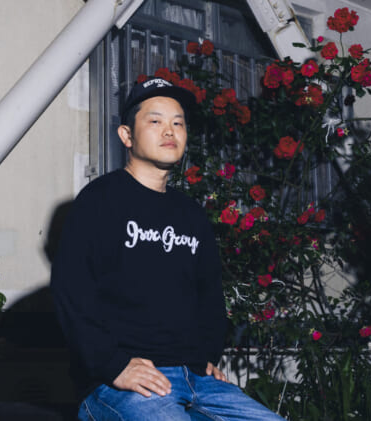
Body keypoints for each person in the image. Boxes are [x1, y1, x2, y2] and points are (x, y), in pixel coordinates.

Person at [50, 78, 286, 421]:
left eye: (178, 123)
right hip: (122, 382)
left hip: (197, 379)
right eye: (155, 121)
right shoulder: (99, 200)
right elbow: (72, 290)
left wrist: (206, 357)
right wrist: (113, 366)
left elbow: (209, 296)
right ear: (126, 136)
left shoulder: (191, 214)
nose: (169, 131)